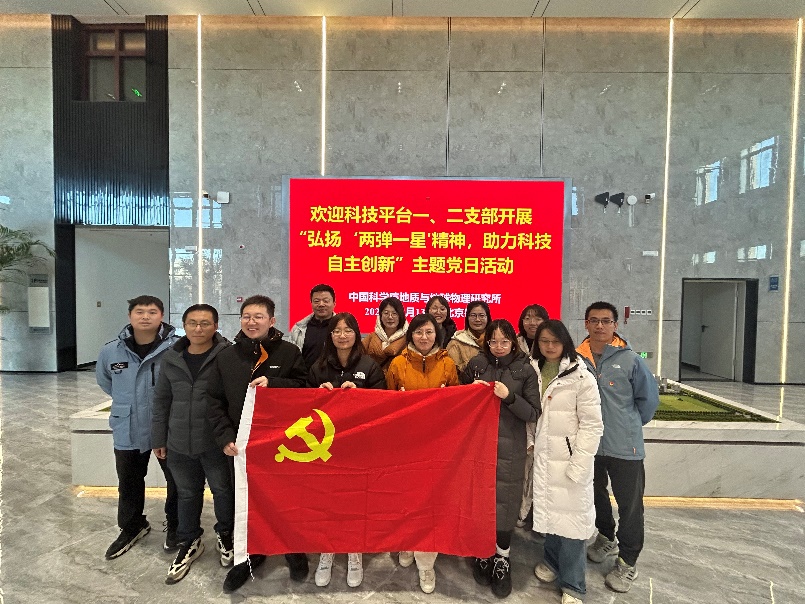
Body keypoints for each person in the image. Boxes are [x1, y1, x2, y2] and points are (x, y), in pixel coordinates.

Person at [206, 295, 309, 593]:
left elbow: (305, 388)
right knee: (245, 502)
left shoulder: (289, 352)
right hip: (241, 447)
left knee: (286, 499)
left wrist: (274, 384)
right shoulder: (226, 356)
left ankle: (293, 550)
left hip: (281, 445)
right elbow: (214, 400)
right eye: (246, 317)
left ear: (272, 321)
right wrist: (225, 436)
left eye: (258, 317)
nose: (252, 322)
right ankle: (248, 556)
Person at [576, 301, 659, 593]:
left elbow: (647, 403)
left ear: (615, 325)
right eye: (594, 320)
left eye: (606, 321)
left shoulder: (631, 360)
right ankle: (606, 537)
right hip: (589, 446)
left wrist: (627, 426)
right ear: (586, 324)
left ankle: (627, 561)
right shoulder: (577, 359)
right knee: (595, 495)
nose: (600, 326)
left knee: (630, 505)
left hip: (625, 446)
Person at [151, 304, 233, 584]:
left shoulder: (226, 356)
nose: (199, 328)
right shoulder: (171, 357)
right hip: (178, 442)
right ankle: (190, 541)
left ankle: (226, 535)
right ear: (184, 326)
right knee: (186, 494)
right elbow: (161, 400)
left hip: (215, 442)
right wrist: (159, 438)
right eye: (193, 323)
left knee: (223, 491)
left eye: (205, 323)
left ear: (216, 326)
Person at [460, 319, 540, 598]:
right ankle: (482, 553)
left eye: (504, 341)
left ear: (513, 342)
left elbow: (533, 412)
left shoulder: (525, 369)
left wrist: (509, 397)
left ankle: (502, 558)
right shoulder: (476, 364)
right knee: (478, 498)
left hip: (510, 446)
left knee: (505, 501)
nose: (498, 346)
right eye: (493, 341)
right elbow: (457, 401)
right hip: (477, 444)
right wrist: (469, 389)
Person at [96, 295, 179, 560]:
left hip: (167, 426)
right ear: (130, 316)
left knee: (177, 480)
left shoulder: (176, 348)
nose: (145, 316)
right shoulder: (111, 351)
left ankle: (177, 526)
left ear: (162, 316)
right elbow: (106, 381)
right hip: (128, 426)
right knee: (129, 481)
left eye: (152, 312)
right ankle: (132, 527)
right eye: (139, 312)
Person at [307, 312, 386, 589]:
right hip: (326, 448)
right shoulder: (318, 367)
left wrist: (361, 395)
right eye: (337, 331)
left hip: (359, 448)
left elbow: (383, 404)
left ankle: (354, 552)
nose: (342, 335)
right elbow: (302, 407)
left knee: (355, 501)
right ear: (330, 335)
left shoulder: (369, 366)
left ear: (356, 334)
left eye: (348, 330)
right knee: (326, 500)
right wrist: (318, 394)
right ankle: (326, 551)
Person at [385, 313, 459, 594]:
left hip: (438, 446)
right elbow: (387, 405)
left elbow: (458, 404)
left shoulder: (448, 364)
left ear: (436, 334)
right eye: (418, 332)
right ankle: (407, 542)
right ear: (411, 335)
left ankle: (426, 562)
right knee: (407, 498)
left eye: (429, 332)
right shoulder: (398, 364)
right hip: (406, 445)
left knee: (432, 503)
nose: (424, 337)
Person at [531, 320, 603, 604]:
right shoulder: (533, 369)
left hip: (568, 459)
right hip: (543, 456)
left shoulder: (581, 376)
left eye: (555, 341)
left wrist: (579, 463)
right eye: (544, 341)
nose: (549, 346)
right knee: (551, 513)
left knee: (572, 522)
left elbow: (592, 425)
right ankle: (551, 562)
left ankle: (574, 585)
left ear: (565, 342)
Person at [515, 303, 549, 527]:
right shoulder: (513, 344)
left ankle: (539, 514)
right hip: (519, 413)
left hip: (546, 414)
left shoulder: (550, 345)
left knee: (543, 468)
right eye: (527, 318)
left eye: (537, 318)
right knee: (523, 466)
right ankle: (522, 511)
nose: (532, 322)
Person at [288, 284, 336, 369]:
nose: (321, 304)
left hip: (334, 376)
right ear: (311, 303)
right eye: (316, 301)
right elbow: (290, 357)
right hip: (304, 376)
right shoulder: (298, 329)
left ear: (334, 303)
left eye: (326, 301)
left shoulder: (341, 328)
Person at [361, 296, 408, 374]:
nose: (390, 317)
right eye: (386, 313)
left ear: (400, 316)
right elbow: (358, 355)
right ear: (380, 316)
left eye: (394, 313)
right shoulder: (371, 337)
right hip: (374, 379)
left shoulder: (408, 339)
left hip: (397, 379)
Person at [446, 300, 490, 371]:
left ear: (488, 318)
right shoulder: (456, 343)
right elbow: (451, 372)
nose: (477, 319)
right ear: (467, 318)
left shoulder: (495, 340)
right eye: (473, 315)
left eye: (481, 315)